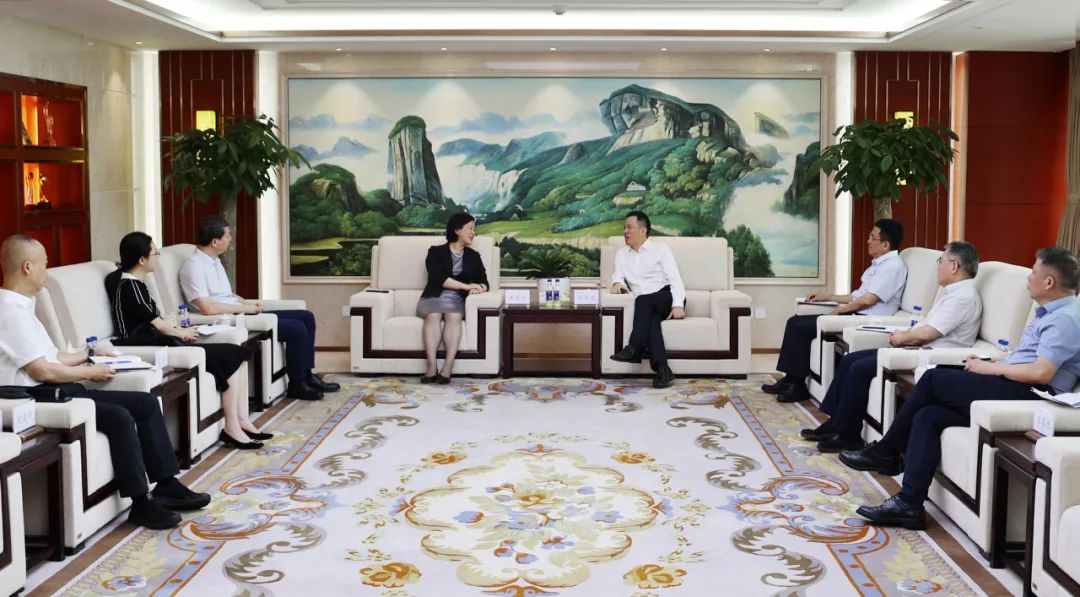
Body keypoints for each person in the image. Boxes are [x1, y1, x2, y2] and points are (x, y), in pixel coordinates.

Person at [841, 247, 1080, 530]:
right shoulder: (1051, 313)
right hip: (1014, 383)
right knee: (927, 415)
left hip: (1030, 395)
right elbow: (1024, 359)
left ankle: (885, 451)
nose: (1029, 277)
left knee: (932, 380)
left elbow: (1041, 373)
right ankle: (909, 504)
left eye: (1034, 272)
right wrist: (990, 362)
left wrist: (990, 369)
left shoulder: (1065, 318)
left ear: (1049, 282)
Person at [0, 234, 211, 530]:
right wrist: (90, 373)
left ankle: (166, 484)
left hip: (57, 389)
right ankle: (141, 503)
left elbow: (53, 357)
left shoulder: (22, 306)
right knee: (119, 416)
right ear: (27, 267)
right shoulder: (9, 312)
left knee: (145, 403)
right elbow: (43, 371)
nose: (46, 270)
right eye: (44, 264)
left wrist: (91, 354)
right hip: (36, 396)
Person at [803, 242, 983, 453]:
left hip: (931, 356)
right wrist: (904, 334)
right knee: (852, 359)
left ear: (954, 266)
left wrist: (902, 338)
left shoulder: (963, 298)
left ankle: (848, 435)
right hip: (918, 349)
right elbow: (926, 326)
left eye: (940, 261)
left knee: (860, 368)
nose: (938, 266)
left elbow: (927, 334)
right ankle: (836, 423)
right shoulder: (953, 293)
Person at [105, 232, 268, 450]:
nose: (158, 257)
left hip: (158, 339)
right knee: (232, 353)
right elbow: (158, 325)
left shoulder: (136, 284)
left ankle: (241, 420)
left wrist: (182, 330)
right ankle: (232, 427)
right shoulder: (130, 287)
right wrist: (182, 333)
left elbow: (157, 322)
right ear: (142, 260)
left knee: (236, 354)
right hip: (149, 345)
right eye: (155, 253)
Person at [179, 216, 339, 401]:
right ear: (215, 242)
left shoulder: (214, 261)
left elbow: (227, 295)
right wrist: (245, 309)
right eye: (227, 236)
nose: (230, 240)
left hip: (241, 310)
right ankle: (297, 384)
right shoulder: (194, 267)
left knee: (306, 317)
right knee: (296, 329)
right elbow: (206, 308)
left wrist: (247, 304)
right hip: (230, 318)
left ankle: (307, 375)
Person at [766, 218, 908, 403]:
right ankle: (790, 380)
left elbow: (867, 301)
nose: (867, 241)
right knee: (795, 321)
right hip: (856, 312)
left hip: (867, 319)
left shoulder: (892, 267)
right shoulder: (879, 264)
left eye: (872, 237)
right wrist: (827, 296)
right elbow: (856, 296)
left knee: (801, 327)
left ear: (885, 244)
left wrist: (840, 311)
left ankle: (797, 386)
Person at [608, 211, 686, 389]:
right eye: (624, 228)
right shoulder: (621, 254)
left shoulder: (661, 249)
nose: (625, 231)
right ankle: (663, 370)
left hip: (666, 296)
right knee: (650, 318)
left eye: (629, 227)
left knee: (643, 301)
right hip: (645, 306)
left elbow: (675, 279)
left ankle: (634, 347)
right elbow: (617, 277)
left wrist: (677, 305)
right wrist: (617, 283)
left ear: (643, 231)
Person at [418, 213, 490, 384]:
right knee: (433, 316)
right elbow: (440, 279)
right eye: (470, 228)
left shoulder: (474, 256)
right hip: (433, 296)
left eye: (474, 229)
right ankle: (431, 367)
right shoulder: (435, 252)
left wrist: (479, 288)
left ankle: (447, 368)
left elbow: (485, 282)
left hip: (456, 300)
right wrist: (467, 286)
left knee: (454, 317)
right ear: (457, 230)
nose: (473, 233)